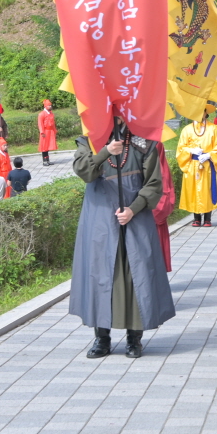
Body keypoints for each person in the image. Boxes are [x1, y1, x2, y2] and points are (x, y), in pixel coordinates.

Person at [71, 117, 175, 359]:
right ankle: (102, 338)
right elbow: (84, 172)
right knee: (100, 274)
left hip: (135, 218)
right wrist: (105, 152)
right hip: (99, 220)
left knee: (136, 274)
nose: (114, 116)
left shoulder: (144, 143)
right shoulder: (89, 141)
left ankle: (134, 338)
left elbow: (154, 184)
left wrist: (133, 209)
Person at [176, 107, 217, 227]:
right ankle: (196, 218)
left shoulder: (213, 129)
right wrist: (191, 150)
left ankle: (207, 218)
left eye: (201, 111)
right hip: (192, 164)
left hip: (208, 164)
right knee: (193, 190)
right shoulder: (187, 129)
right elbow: (181, 148)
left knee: (207, 189)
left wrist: (209, 155)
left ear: (205, 113)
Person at [39, 99, 57, 166]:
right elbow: (40, 124)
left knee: (48, 146)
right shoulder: (42, 114)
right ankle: (44, 161)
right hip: (45, 132)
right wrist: (42, 132)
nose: (50, 106)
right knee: (44, 146)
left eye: (50, 105)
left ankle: (48, 160)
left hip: (50, 131)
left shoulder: (51, 113)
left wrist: (54, 130)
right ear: (45, 106)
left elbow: (53, 123)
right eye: (49, 105)